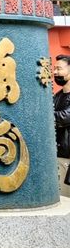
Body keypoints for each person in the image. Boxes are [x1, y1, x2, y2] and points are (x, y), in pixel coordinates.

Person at [54, 54, 70, 196]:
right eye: (54, 69)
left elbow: (65, 117)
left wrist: (45, 115)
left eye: (59, 68)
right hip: (58, 155)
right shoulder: (57, 96)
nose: (55, 72)